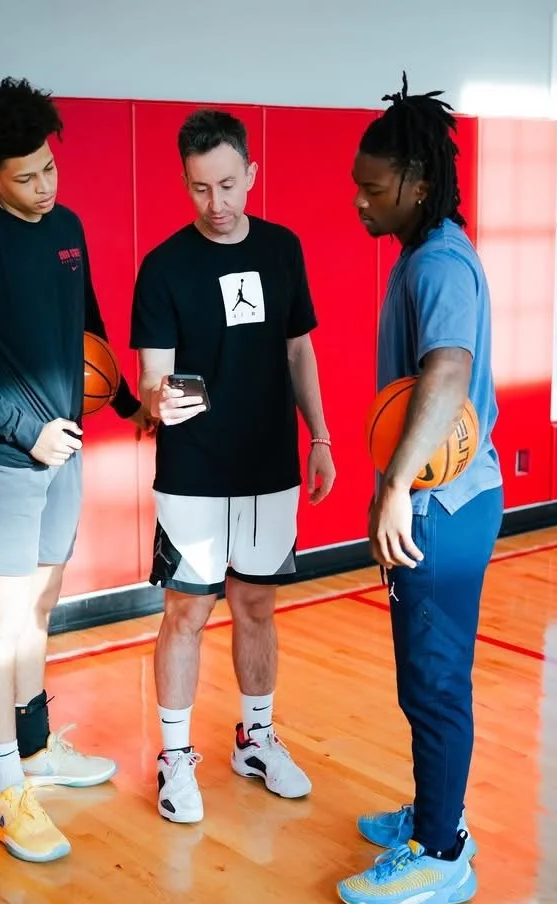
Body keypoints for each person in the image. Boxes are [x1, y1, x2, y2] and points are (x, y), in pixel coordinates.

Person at [0, 77, 153, 863]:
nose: (44, 186)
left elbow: (86, 332)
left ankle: (33, 745)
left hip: (69, 452)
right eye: (25, 177)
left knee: (44, 603)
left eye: (50, 168)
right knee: (3, 618)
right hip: (8, 460)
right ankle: (5, 792)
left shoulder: (71, 228)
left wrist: (126, 406)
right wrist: (25, 428)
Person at [130, 109, 336, 824]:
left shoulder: (283, 249)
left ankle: (256, 739)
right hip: (192, 470)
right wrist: (162, 399)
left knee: (256, 605)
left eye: (226, 184)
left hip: (271, 467)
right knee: (186, 609)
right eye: (198, 189)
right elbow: (154, 377)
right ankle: (175, 757)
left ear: (251, 173)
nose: (214, 204)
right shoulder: (163, 267)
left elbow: (298, 350)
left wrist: (320, 437)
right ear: (184, 185)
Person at [337, 73, 503, 904]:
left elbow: (448, 371)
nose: (360, 203)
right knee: (426, 678)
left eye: (374, 189)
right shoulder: (431, 252)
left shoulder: (437, 262)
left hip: (440, 508)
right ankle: (438, 814)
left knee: (434, 682)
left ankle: (441, 854)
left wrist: (396, 486)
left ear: (418, 182)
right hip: (452, 502)